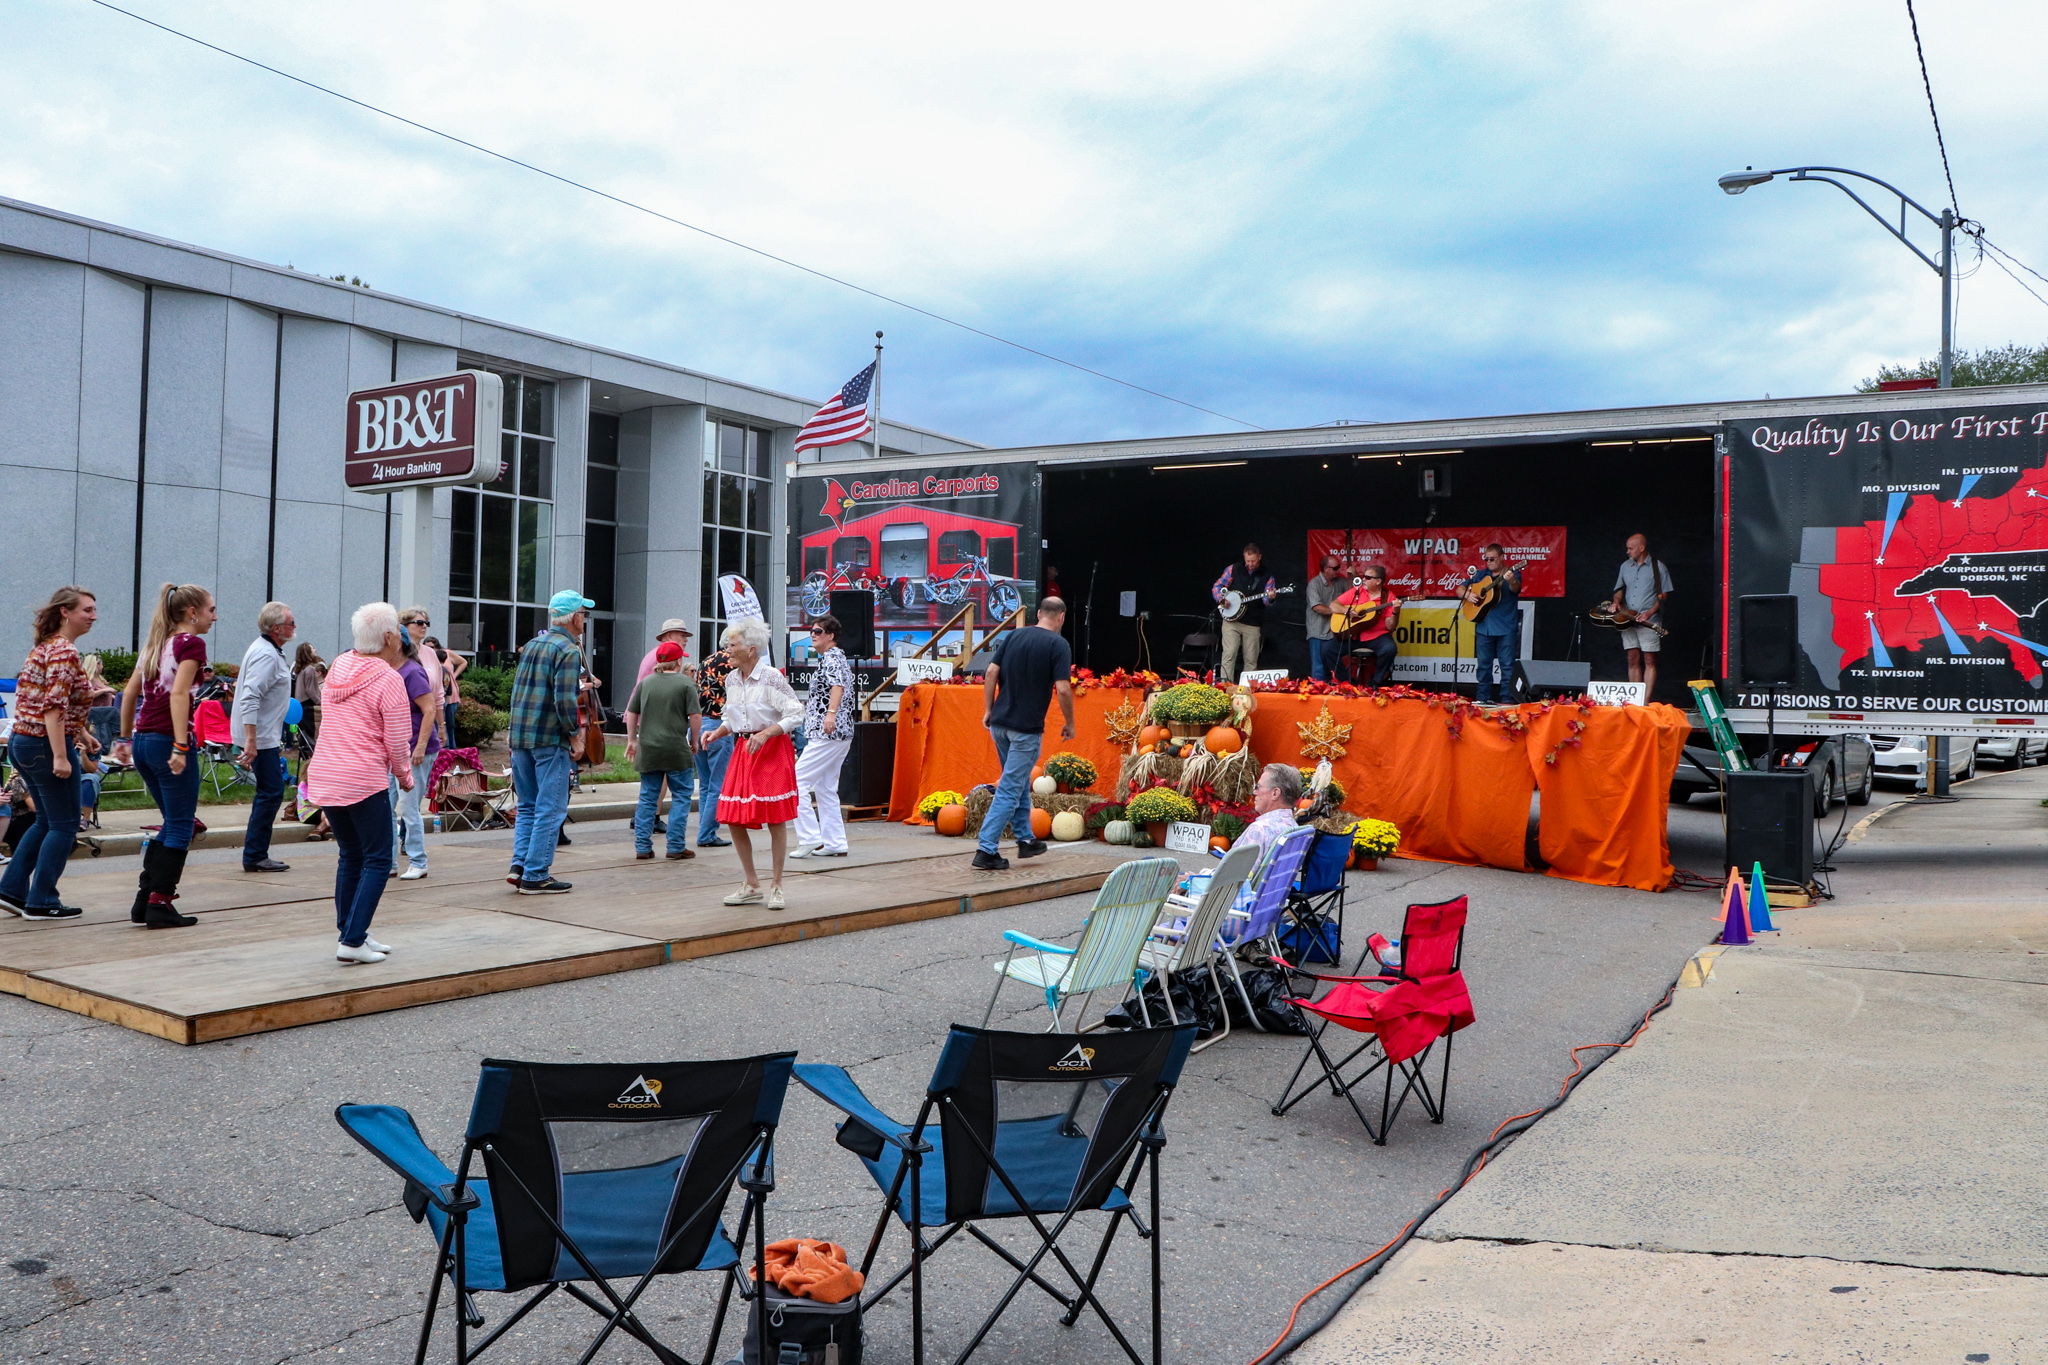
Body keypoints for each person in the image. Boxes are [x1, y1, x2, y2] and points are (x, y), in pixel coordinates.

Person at [301, 603, 415, 964]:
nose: (401, 635)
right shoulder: (387, 678)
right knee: (380, 859)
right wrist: (405, 776)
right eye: (398, 629)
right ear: (387, 637)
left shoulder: (339, 666)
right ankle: (352, 941)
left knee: (350, 855)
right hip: (363, 778)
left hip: (327, 774)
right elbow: (397, 739)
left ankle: (352, 933)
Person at [116, 583, 216, 930]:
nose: (214, 617)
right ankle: (159, 902)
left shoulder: (157, 643)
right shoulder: (191, 643)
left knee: (173, 821)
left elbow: (128, 692)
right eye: (210, 610)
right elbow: (178, 694)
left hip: (144, 741)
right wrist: (181, 745)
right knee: (180, 825)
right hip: (166, 741)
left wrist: (124, 739)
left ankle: (145, 901)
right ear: (192, 613)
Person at [0, 586, 101, 919]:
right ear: (65, 612)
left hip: (24, 742)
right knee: (65, 824)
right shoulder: (63, 651)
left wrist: (82, 734)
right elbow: (53, 707)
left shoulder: (45, 647)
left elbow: (51, 703)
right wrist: (61, 755)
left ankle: (12, 889)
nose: (93, 616)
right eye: (86, 610)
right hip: (44, 745)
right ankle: (42, 900)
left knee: (46, 820)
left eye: (94, 610)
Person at [700, 617, 804, 910]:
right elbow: (732, 718)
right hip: (744, 750)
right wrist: (716, 732)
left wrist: (768, 733)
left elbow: (796, 713)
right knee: (733, 817)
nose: (726, 652)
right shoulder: (732, 679)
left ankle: (777, 885)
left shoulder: (770, 677)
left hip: (771, 750)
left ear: (751, 649)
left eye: (732, 646)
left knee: (775, 817)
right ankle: (752, 883)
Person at [976, 597, 1075, 872]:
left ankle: (1025, 839)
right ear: (1062, 618)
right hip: (1026, 729)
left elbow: (991, 671)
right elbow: (1064, 689)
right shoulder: (1058, 645)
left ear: (1040, 613)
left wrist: (988, 709)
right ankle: (986, 849)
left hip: (999, 724)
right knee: (1009, 788)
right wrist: (1070, 723)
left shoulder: (1014, 635)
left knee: (1017, 783)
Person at [506, 590, 591, 895]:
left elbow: (518, 692)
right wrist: (575, 735)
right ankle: (536, 874)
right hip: (549, 739)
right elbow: (564, 700)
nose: (585, 620)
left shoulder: (532, 645)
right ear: (576, 617)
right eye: (585, 614)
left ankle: (520, 867)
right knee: (551, 808)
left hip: (521, 737)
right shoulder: (568, 650)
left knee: (528, 806)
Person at [231, 600, 297, 874]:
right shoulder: (266, 655)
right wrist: (251, 739)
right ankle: (255, 855)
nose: (295, 627)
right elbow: (250, 695)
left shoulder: (267, 650)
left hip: (264, 736)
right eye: (291, 623)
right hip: (261, 738)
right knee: (270, 792)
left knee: (269, 791)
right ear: (277, 628)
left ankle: (256, 853)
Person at [624, 640, 701, 860]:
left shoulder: (646, 683)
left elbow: (632, 712)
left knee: (648, 798)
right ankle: (675, 846)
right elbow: (695, 716)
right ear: (678, 661)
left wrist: (632, 739)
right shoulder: (686, 684)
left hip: (649, 749)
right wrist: (694, 741)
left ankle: (642, 846)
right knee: (681, 796)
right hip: (676, 749)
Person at [791, 614, 855, 859]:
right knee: (827, 787)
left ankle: (809, 837)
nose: (813, 635)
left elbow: (837, 686)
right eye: (812, 631)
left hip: (829, 732)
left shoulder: (833, 658)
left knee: (796, 782)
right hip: (835, 732)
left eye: (818, 631)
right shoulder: (833, 658)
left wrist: (830, 714)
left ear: (831, 635)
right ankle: (835, 842)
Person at [389, 625, 440, 880]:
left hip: (415, 750)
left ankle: (418, 861)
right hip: (394, 750)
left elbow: (429, 709)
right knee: (385, 806)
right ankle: (388, 862)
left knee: (409, 808)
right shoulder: (389, 671)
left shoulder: (412, 672)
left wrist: (419, 747)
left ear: (398, 644)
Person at [1611, 533, 1673, 695]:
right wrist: (1616, 602)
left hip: (1649, 621)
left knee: (1649, 660)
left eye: (1630, 548)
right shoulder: (1625, 566)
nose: (1628, 552)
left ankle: (1645, 701)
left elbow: (1664, 596)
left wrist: (1649, 613)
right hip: (1627, 620)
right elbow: (1618, 589)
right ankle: (1635, 698)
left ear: (1641, 548)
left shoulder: (1658, 567)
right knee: (1632, 658)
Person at [1462, 544, 1522, 705]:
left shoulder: (1513, 572)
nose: (1488, 562)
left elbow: (1515, 588)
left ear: (1502, 557)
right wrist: (1468, 594)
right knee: (1483, 666)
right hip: (1484, 627)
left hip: (1506, 627)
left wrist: (1512, 579)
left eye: (1492, 559)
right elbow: (1459, 589)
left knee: (1507, 666)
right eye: (1486, 559)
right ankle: (1482, 698)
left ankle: (1507, 700)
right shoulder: (1481, 575)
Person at [694, 636, 737, 849]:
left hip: (699, 723)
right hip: (719, 725)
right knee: (718, 784)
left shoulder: (705, 662)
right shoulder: (734, 663)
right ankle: (707, 833)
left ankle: (705, 830)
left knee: (705, 783)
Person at [1212, 543, 1277, 682]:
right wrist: (1221, 599)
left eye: (1253, 561)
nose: (1250, 564)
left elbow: (1266, 601)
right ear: (1244, 557)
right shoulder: (1233, 569)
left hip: (1252, 622)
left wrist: (1270, 598)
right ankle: (1225, 687)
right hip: (1231, 621)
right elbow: (1217, 586)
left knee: (1251, 659)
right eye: (1248, 561)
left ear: (1259, 557)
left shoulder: (1267, 575)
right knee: (1229, 655)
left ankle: (1247, 691)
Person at [1339, 566, 1403, 688]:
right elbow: (1334, 605)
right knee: (1327, 649)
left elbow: (1390, 626)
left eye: (1367, 577)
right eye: (1364, 576)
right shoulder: (1357, 591)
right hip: (1355, 635)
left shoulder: (1388, 597)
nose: (1363, 580)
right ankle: (1347, 682)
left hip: (1377, 636)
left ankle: (1375, 682)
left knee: (1390, 649)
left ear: (1378, 581)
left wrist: (1396, 611)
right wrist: (1346, 610)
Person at [1231, 764, 1304, 856]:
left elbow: (1238, 870)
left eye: (1258, 787)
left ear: (1275, 793)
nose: (1254, 792)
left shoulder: (1260, 830)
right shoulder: (1296, 830)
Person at [400, 608, 444, 748]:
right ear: (404, 625)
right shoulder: (395, 653)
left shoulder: (431, 653)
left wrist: (442, 726)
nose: (424, 626)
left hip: (428, 720)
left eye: (426, 623)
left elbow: (438, 694)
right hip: (402, 723)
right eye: (419, 623)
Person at [1304, 555, 1348, 682]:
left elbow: (1355, 591)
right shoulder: (1314, 584)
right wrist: (1338, 611)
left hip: (1336, 631)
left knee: (1335, 663)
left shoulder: (1341, 582)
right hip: (1319, 630)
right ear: (1325, 569)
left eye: (1338, 567)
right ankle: (1318, 693)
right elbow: (1317, 607)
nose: (1338, 571)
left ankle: (1340, 688)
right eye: (1335, 568)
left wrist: (1354, 574)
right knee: (1319, 666)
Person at [637, 618, 694, 685]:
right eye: (682, 636)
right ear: (669, 636)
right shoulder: (662, 656)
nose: (686, 640)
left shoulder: (657, 653)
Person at [293, 642, 326, 747]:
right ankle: (308, 756)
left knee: (304, 734)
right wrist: (319, 701)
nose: (315, 650)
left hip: (300, 705)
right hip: (307, 706)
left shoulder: (301, 670)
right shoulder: (310, 670)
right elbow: (311, 690)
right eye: (312, 649)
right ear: (307, 653)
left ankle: (304, 756)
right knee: (310, 733)